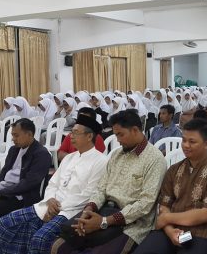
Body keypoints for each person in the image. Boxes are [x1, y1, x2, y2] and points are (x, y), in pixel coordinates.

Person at [52, 109, 167, 254]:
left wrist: (105, 221)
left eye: (121, 134)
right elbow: (101, 188)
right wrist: (89, 209)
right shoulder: (117, 155)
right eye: (115, 134)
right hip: (102, 211)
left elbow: (145, 204)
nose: (117, 139)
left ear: (135, 130)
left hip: (132, 224)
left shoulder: (154, 159)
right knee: (58, 247)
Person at [0, 115, 107, 254]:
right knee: (5, 223)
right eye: (71, 132)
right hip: (48, 204)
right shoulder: (69, 157)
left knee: (39, 239)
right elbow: (52, 183)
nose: (70, 136)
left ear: (89, 137)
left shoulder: (101, 161)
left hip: (71, 211)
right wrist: (50, 200)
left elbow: (89, 194)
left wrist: (57, 208)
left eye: (75, 133)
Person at [134, 118, 207, 254]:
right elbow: (165, 206)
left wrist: (167, 218)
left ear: (206, 144)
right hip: (170, 229)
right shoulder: (174, 170)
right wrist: (170, 231)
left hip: (202, 233)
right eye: (184, 140)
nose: (186, 145)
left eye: (192, 142)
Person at [0, 118, 52, 254]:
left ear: (30, 135)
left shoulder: (41, 154)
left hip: (19, 197)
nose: (13, 139)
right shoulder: (14, 150)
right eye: (12, 135)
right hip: (2, 191)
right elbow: (2, 175)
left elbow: (28, 183)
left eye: (16, 135)